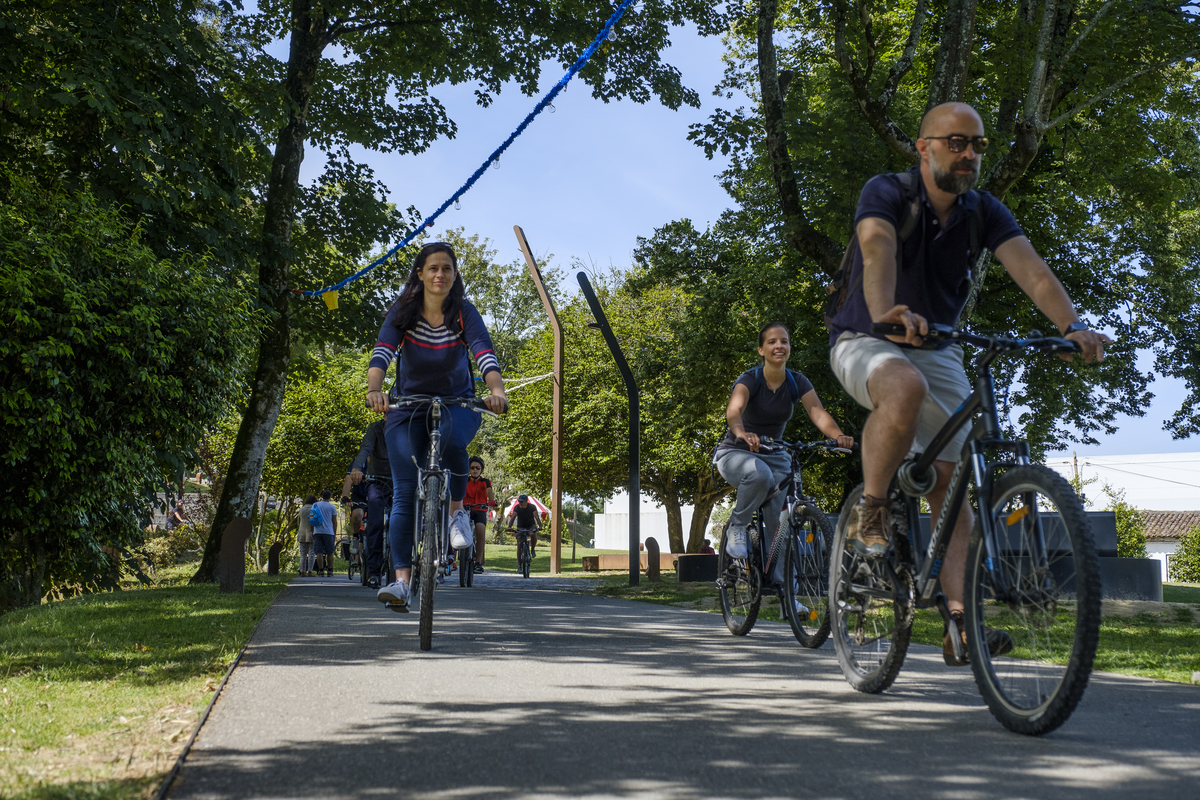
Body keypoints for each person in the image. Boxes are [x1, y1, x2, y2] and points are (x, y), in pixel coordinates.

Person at [827, 101, 1110, 665]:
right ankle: (874, 512)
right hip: (866, 337)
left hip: (938, 344)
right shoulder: (887, 192)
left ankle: (960, 625)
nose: (969, 154)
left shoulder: (984, 211)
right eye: (956, 142)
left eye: (976, 145)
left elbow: (1030, 268)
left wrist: (1072, 326)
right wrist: (885, 309)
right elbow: (876, 245)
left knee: (953, 487)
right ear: (923, 146)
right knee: (901, 387)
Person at [365, 242, 507, 611]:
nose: (439, 274)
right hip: (407, 404)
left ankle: (456, 511)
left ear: (454, 274)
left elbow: (483, 351)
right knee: (404, 491)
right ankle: (400, 584)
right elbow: (383, 349)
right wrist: (375, 389)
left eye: (446, 268)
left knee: (454, 443)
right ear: (420, 274)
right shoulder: (404, 311)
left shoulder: (463, 312)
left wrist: (496, 391)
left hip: (456, 401)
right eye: (432, 268)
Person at [715, 322, 854, 584]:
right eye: (772, 342)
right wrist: (741, 431)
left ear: (789, 348)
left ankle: (787, 597)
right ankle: (738, 526)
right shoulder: (751, 379)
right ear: (761, 350)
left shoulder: (797, 381)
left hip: (775, 454)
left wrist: (837, 436)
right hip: (736, 452)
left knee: (781, 528)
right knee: (759, 475)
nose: (779, 345)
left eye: (784, 341)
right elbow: (734, 410)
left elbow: (817, 412)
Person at [348, 418, 391, 588]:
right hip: (377, 480)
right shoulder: (375, 428)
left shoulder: (407, 425)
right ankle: (373, 572)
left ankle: (405, 566)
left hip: (401, 480)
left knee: (405, 520)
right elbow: (365, 448)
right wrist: (357, 468)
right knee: (374, 523)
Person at [463, 455, 496, 573]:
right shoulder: (464, 480)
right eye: (472, 468)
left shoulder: (485, 481)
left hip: (480, 510)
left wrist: (491, 501)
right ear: (469, 469)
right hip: (465, 509)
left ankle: (478, 562)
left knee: (480, 533)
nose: (475, 470)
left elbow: (489, 493)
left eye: (478, 467)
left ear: (481, 469)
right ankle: (455, 558)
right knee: (458, 530)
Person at [310, 489, 339, 578]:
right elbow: (334, 522)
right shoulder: (332, 507)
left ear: (322, 496)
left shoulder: (315, 505)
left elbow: (311, 519)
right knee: (330, 552)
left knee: (319, 552)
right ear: (330, 497)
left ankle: (321, 570)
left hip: (317, 531)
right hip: (329, 532)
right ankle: (330, 570)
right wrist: (334, 533)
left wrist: (312, 531)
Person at [297, 494, 317, 577]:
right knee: (312, 553)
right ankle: (310, 571)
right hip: (311, 533)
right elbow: (314, 521)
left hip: (301, 533)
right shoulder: (313, 509)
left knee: (303, 554)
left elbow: (298, 521)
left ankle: (302, 571)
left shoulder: (301, 510)